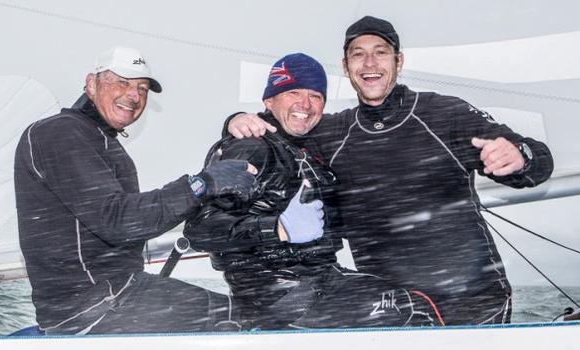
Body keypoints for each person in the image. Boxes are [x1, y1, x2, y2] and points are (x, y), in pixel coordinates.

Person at [226, 17, 554, 325]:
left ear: (399, 61)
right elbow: (284, 120)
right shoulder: (333, 132)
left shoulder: (443, 114)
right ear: (346, 67)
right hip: (391, 309)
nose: (370, 64)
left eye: (380, 53)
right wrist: (236, 121)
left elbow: (535, 163)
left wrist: (521, 157)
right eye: (359, 55)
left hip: (474, 302)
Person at [184, 53, 440, 330]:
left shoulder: (303, 148)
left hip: (316, 284)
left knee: (414, 295)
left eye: (316, 96)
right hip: (281, 297)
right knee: (414, 307)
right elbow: (200, 228)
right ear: (269, 100)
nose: (305, 104)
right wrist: (278, 228)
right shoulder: (252, 146)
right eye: (293, 92)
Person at [14, 46, 258, 335]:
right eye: (122, 82)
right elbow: (118, 221)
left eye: (142, 88)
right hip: (92, 307)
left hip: (113, 295)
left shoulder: (98, 140)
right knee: (244, 320)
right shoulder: (61, 133)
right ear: (91, 83)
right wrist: (202, 184)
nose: (134, 95)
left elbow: (127, 218)